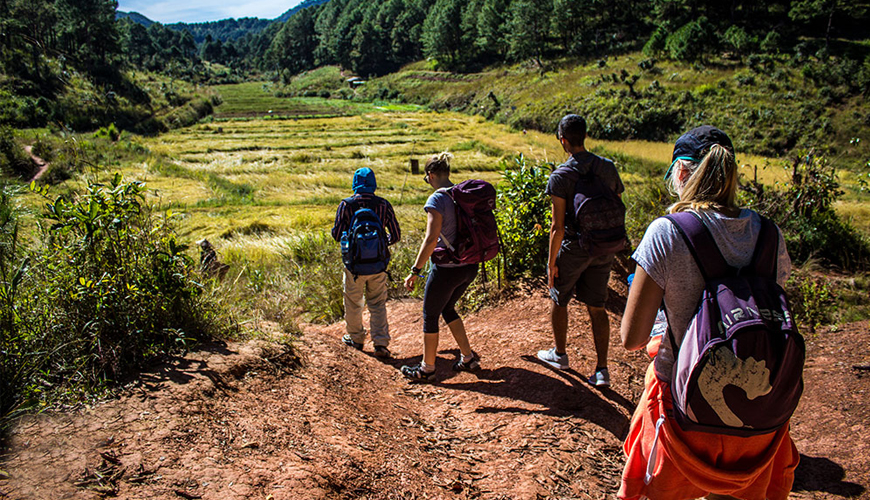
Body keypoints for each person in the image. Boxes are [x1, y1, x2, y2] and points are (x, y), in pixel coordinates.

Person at [618, 126, 799, 500]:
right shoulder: (770, 233)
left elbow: (632, 338)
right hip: (756, 416)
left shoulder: (666, 233)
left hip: (682, 411)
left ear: (681, 173)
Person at [536, 114, 625, 387]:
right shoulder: (607, 168)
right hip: (605, 246)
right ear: (584, 136)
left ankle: (560, 354)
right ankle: (601, 370)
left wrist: (551, 264)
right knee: (597, 306)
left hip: (575, 247)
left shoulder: (561, 176)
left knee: (558, 298)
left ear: (563, 140)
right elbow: (617, 208)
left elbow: (557, 227)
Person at [400, 152, 481, 382]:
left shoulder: (436, 199)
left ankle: (427, 369)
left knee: (430, 314)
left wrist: (415, 270)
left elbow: (431, 238)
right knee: (448, 308)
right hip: (470, 266)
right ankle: (468, 358)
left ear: (431, 175)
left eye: (427, 179)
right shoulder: (460, 194)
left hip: (447, 268)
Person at [331, 167, 401, 358]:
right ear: (374, 184)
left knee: (354, 302)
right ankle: (380, 343)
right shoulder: (384, 205)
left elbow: (337, 235)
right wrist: (378, 246)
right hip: (378, 265)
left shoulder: (346, 205)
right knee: (377, 303)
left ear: (354, 183)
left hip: (353, 266)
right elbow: (395, 235)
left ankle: (356, 339)